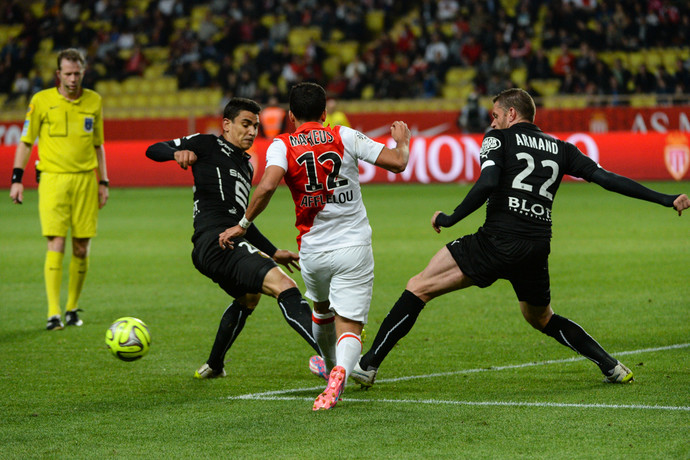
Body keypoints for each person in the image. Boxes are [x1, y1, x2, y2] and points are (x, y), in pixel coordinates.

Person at [350, 88, 690, 388]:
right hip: (536, 246)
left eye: (496, 115)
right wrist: (665, 198)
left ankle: (367, 365)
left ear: (512, 114)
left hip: (497, 240)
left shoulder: (498, 138)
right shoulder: (561, 148)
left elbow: (487, 183)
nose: (493, 121)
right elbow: (607, 178)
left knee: (418, 286)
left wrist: (450, 217)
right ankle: (611, 365)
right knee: (540, 317)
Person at [219, 82, 411, 409]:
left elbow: (265, 187)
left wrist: (243, 224)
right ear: (324, 113)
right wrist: (402, 141)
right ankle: (341, 372)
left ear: (291, 116)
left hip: (312, 250)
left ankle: (327, 363)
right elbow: (397, 162)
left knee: (321, 311)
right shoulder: (343, 135)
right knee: (349, 326)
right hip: (353, 245)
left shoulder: (282, 144)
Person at [145, 97, 321, 379]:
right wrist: (175, 153)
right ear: (226, 125)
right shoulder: (206, 144)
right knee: (284, 286)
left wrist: (274, 252)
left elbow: (242, 223)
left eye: (255, 126)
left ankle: (214, 365)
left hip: (222, 242)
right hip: (216, 242)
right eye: (245, 124)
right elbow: (154, 149)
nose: (252, 131)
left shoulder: (246, 165)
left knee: (249, 299)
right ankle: (332, 359)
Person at [9, 48, 110, 331]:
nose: (73, 78)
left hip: (84, 180)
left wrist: (103, 181)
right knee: (56, 242)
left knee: (82, 245)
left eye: (77, 73)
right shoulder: (41, 101)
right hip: (52, 179)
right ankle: (53, 313)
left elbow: (98, 145)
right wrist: (17, 178)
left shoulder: (94, 100)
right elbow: (26, 141)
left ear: (83, 72)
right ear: (58, 74)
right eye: (68, 73)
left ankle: (72, 309)